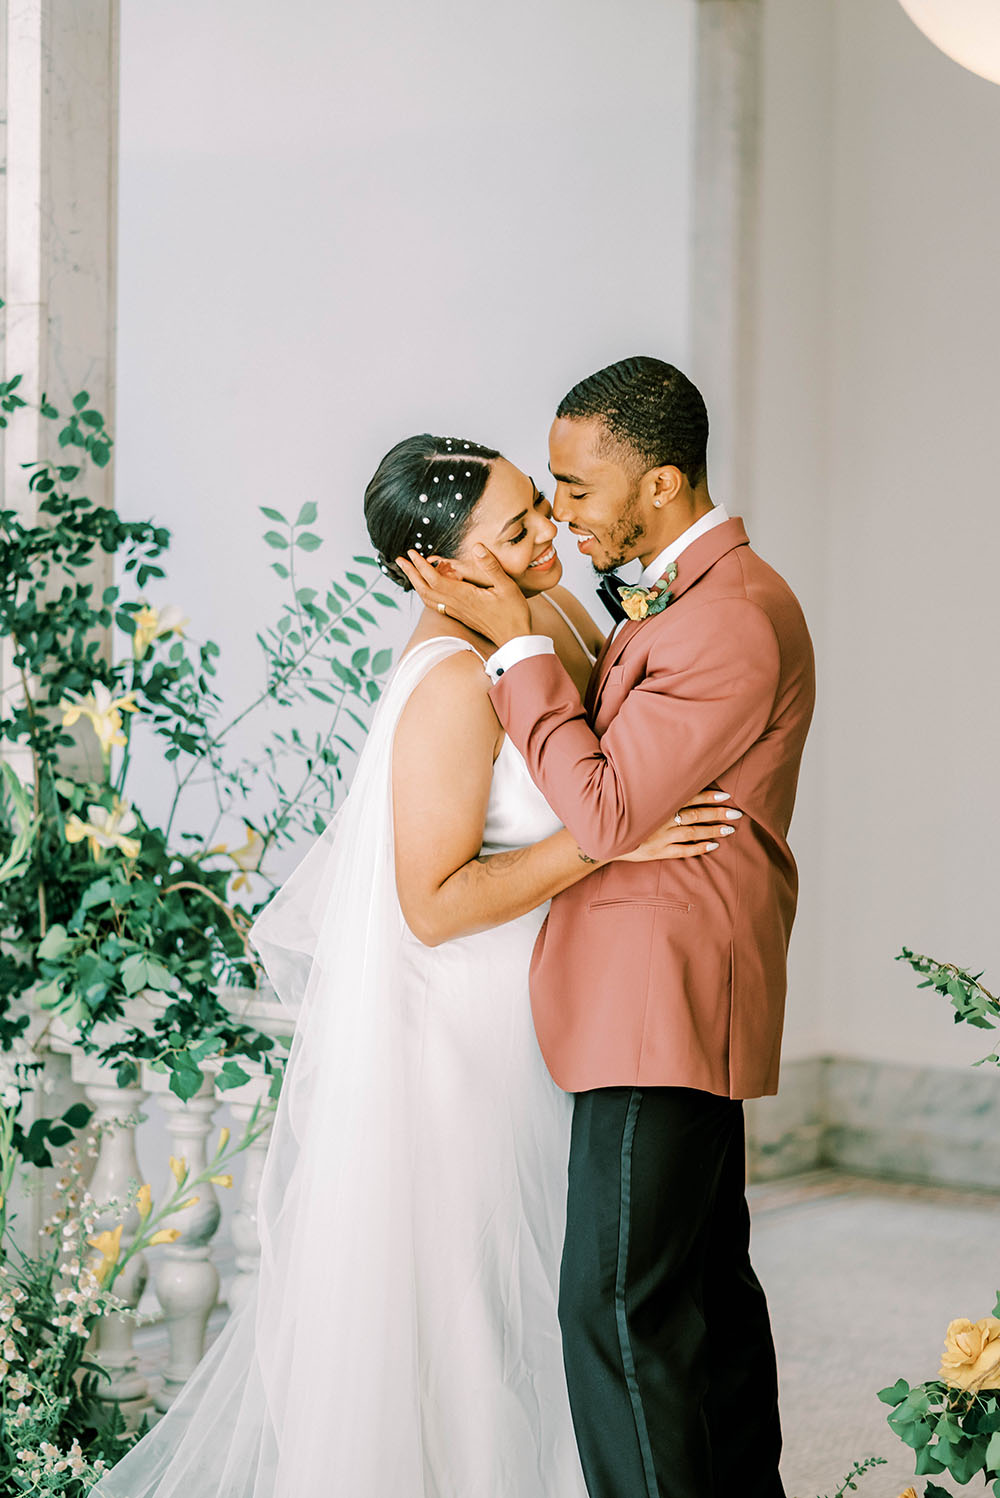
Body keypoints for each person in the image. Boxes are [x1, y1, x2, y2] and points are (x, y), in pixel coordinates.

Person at [93, 432, 738, 1498]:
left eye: (540, 508)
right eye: (515, 529)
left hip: (560, 996)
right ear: (431, 569)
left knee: (564, 1283)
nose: (548, 536)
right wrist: (605, 841)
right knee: (480, 1296)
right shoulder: (446, 682)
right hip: (468, 1028)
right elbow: (430, 905)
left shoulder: (564, 613)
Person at [399, 357, 816, 1498]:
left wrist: (516, 643)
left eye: (575, 493)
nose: (561, 514)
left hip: (658, 990)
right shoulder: (680, 598)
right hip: (655, 987)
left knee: (615, 1303)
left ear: (664, 484)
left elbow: (606, 811)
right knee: (698, 1290)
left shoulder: (724, 617)